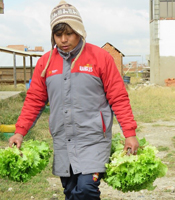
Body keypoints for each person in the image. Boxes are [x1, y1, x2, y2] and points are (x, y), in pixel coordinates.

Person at [9, 0, 139, 199]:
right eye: (58, 35)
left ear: (79, 31)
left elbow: (118, 97)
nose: (63, 39)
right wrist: (20, 132)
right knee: (70, 191)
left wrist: (129, 133)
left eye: (69, 33)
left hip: (94, 138)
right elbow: (34, 100)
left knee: (87, 188)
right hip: (63, 139)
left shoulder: (101, 58)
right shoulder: (46, 62)